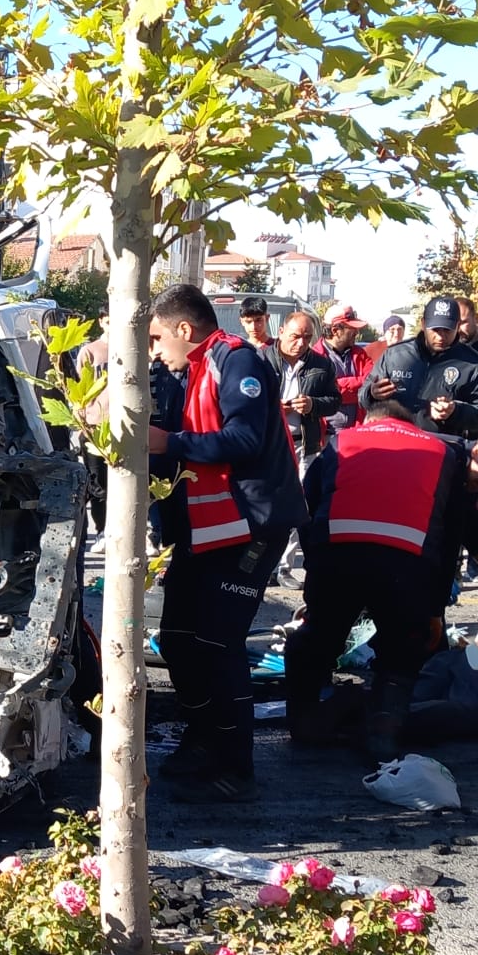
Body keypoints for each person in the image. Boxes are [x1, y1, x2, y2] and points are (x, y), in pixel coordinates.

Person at [146, 284, 307, 802]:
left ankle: (236, 765)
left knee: (217, 642)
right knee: (176, 638)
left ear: (184, 331)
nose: (153, 350)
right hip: (207, 529)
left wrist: (168, 442)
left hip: (250, 526)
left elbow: (244, 440)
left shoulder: (236, 362)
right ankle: (201, 739)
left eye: (156, 338)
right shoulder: (187, 371)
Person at [288, 399, 468, 761]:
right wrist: (434, 608)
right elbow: (452, 535)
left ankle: (305, 723)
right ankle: (383, 736)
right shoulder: (442, 451)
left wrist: (316, 569)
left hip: (339, 553)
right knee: (401, 648)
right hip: (409, 560)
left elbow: (306, 506)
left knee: (320, 637)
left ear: (371, 421)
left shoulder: (342, 442)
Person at [360, 295, 478, 437]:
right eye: (435, 329)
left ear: (458, 326)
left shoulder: (473, 364)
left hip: (441, 445)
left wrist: (455, 410)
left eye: (447, 330)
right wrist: (372, 394)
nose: (441, 337)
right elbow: (362, 398)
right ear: (423, 324)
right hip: (394, 440)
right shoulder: (395, 355)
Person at [263, 311, 339, 467]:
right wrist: (273, 407)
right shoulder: (260, 360)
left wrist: (313, 405)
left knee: (304, 491)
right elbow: (245, 402)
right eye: (295, 337)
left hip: (305, 447)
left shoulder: (322, 365)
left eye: (307, 338)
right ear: (281, 332)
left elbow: (335, 401)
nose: (301, 343)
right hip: (267, 444)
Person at [314, 302, 374, 428]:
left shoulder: (360, 353)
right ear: (335, 330)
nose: (357, 332)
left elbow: (372, 381)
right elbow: (320, 392)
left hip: (356, 430)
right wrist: (358, 387)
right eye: (351, 328)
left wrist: (338, 387)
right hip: (326, 435)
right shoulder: (315, 356)